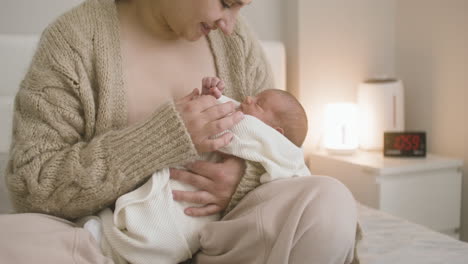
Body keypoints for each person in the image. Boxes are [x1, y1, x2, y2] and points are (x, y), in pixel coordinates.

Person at [1, 0, 359, 263]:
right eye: (225, 3)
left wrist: (243, 181)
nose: (231, 24)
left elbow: (280, 152)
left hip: (222, 242)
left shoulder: (237, 45)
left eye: (240, 8)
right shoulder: (74, 42)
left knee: (329, 202)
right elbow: (33, 186)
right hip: (108, 246)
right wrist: (159, 140)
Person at [83, 77, 311, 264]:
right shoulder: (285, 157)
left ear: (277, 133)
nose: (249, 97)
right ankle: (114, 241)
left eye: (259, 103)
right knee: (158, 228)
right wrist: (209, 101)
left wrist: (214, 102)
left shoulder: (266, 138)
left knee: (157, 228)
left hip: (197, 214)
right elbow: (204, 126)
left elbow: (222, 125)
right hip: (190, 209)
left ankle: (110, 240)